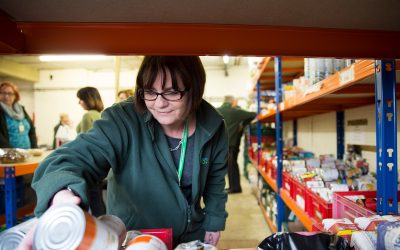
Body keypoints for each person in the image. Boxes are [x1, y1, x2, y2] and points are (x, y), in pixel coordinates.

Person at [20, 56, 228, 249]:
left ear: (195, 89)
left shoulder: (213, 126)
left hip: (191, 236)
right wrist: (62, 193)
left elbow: (215, 180)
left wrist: (214, 221)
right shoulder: (123, 120)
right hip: (136, 238)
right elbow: (76, 157)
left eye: (172, 92)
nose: (159, 103)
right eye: (149, 91)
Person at [75, 86, 107, 217]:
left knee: (90, 199)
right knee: (97, 199)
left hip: (88, 162)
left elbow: (85, 144)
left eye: (80, 99)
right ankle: (104, 224)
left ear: (87, 99)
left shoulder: (87, 116)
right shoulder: (103, 114)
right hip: (101, 162)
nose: (79, 102)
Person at [217, 95, 256, 194]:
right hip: (232, 143)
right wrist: (243, 124)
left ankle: (234, 187)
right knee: (232, 165)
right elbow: (253, 114)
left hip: (220, 144)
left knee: (228, 166)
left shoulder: (216, 111)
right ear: (233, 102)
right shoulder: (236, 112)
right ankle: (235, 187)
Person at [0, 81, 38, 149]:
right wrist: (10, 152)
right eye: (3, 93)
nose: (6, 96)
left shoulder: (21, 109)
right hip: (8, 156)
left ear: (15, 96)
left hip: (27, 153)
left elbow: (32, 130)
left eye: (10, 93)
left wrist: (34, 148)